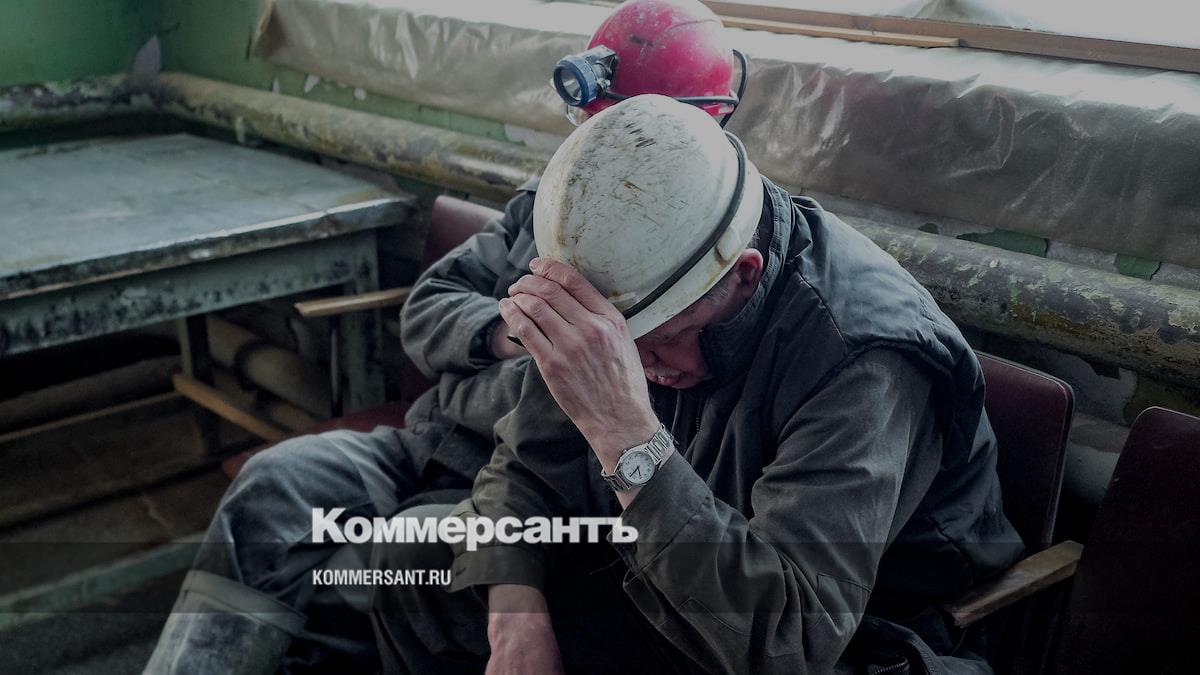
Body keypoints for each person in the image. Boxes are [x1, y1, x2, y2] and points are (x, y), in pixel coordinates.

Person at [142, 1, 748, 672]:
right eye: (590, 128)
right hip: (423, 442)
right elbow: (427, 308)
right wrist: (511, 331)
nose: (591, 159)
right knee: (273, 485)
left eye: (618, 136)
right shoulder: (545, 202)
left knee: (385, 566)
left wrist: (518, 367)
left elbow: (593, 437)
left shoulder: (691, 272)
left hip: (510, 488)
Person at [370, 95, 1025, 674]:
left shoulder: (860, 358)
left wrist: (625, 434)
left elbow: (787, 641)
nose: (638, 366)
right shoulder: (626, 300)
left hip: (844, 640)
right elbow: (522, 470)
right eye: (621, 345)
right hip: (665, 578)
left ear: (744, 273)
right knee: (413, 557)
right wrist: (518, 623)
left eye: (658, 340)